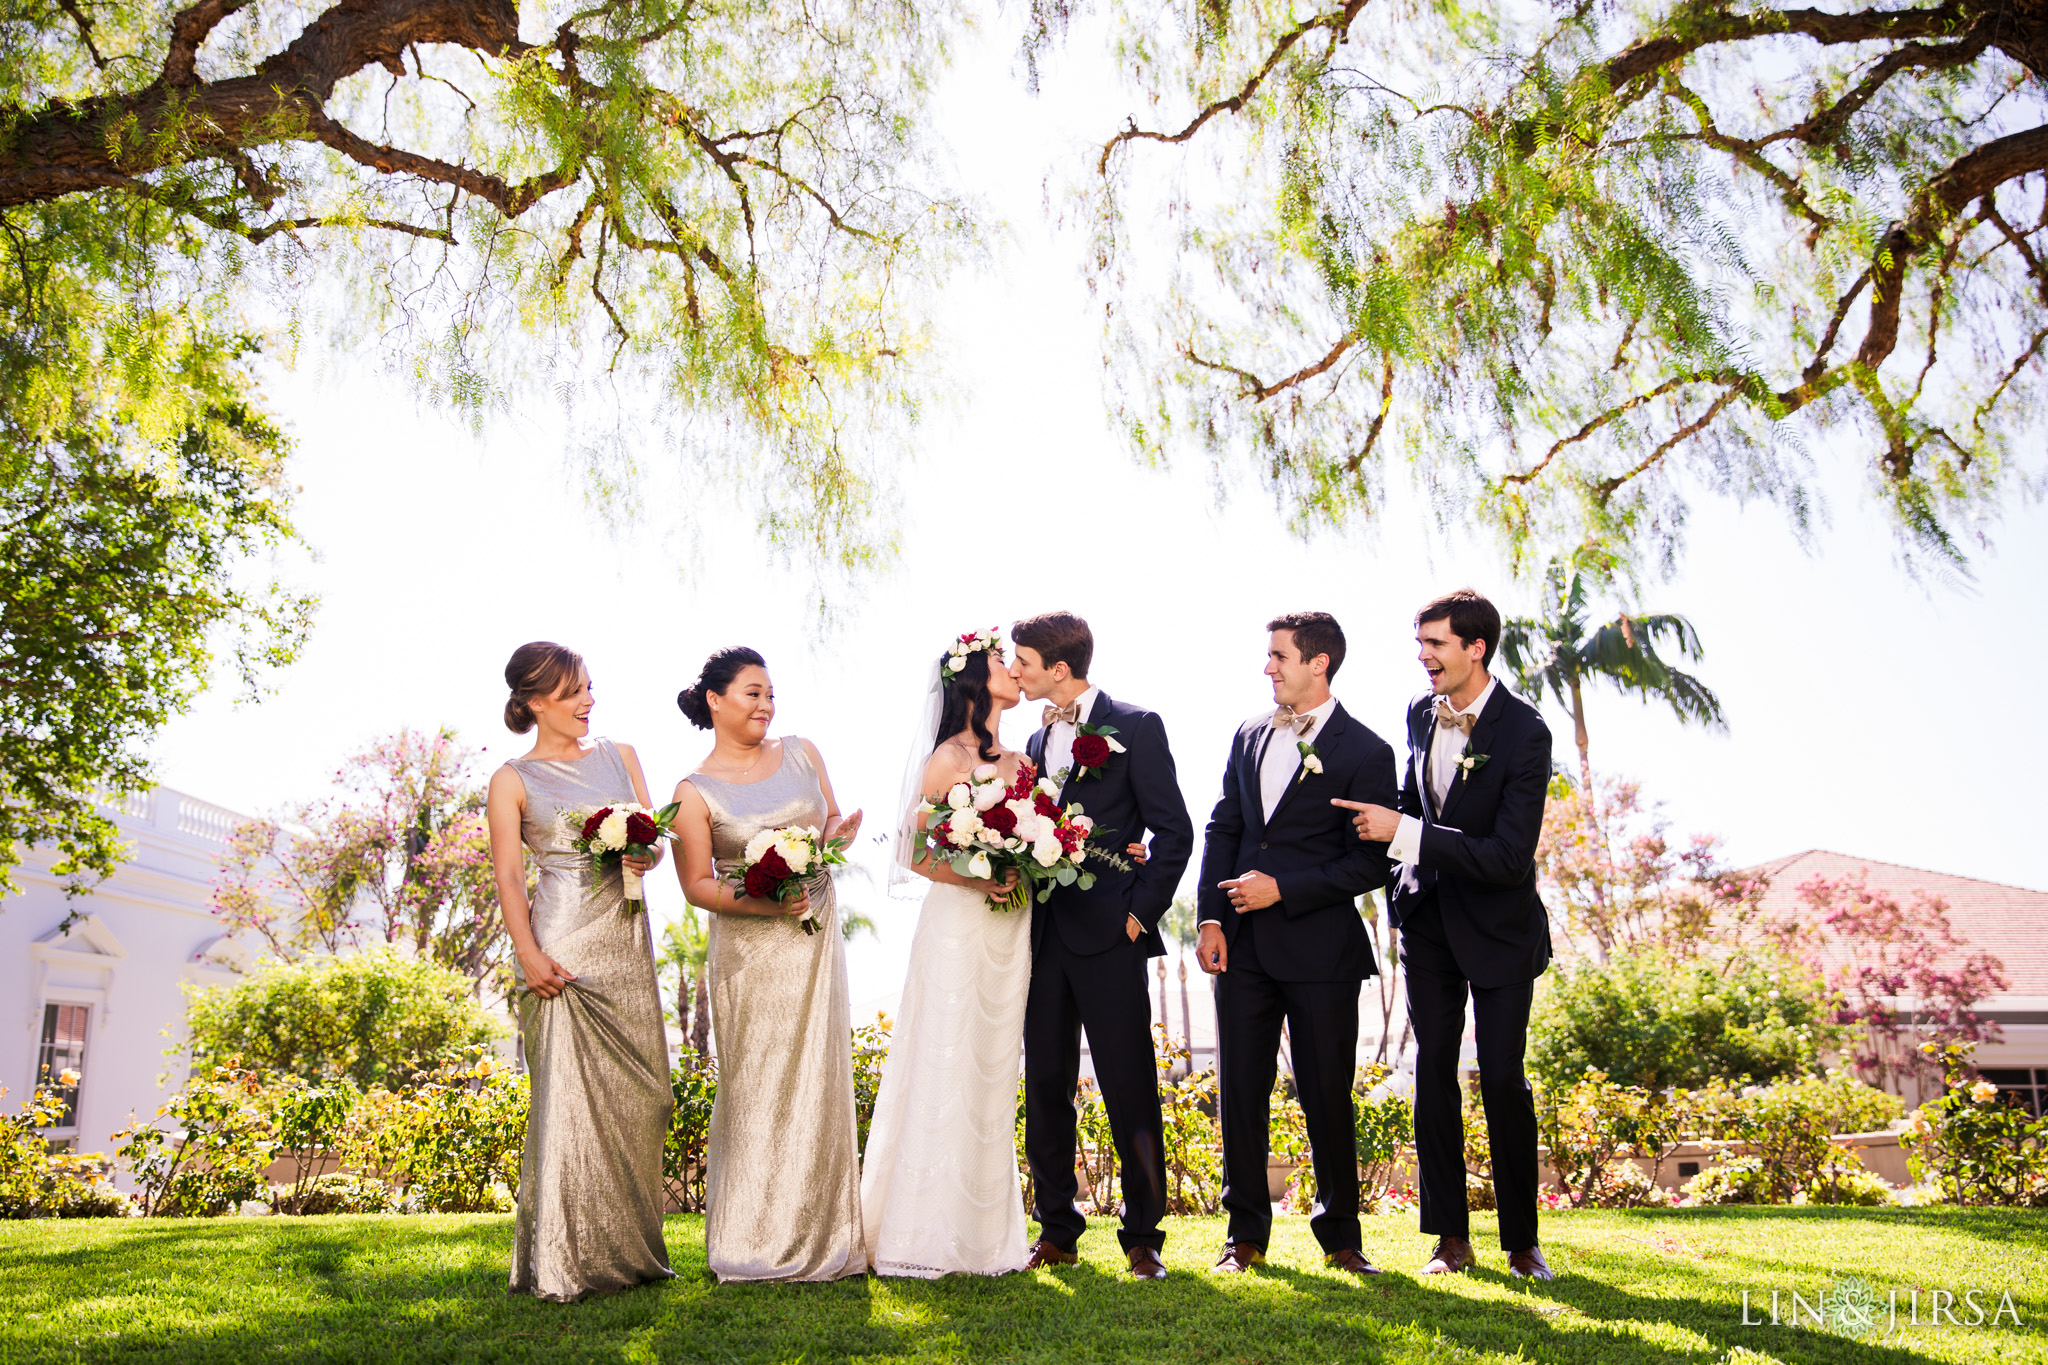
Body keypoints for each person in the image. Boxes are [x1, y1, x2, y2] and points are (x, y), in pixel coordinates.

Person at [1333, 589, 1556, 1281]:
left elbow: (1508, 856)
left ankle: (1523, 1243)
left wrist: (1406, 833)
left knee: (1502, 1079)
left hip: (1500, 928)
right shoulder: (1417, 713)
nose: (1423, 656)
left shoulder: (1525, 731)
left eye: (1436, 643)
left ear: (1476, 647)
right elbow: (1415, 802)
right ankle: (1449, 1240)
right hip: (1427, 920)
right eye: (1421, 643)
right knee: (1433, 1073)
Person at [1195, 612, 1399, 1277]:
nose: (1268, 666)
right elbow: (1224, 828)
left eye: (1278, 655)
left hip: (1323, 956)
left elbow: (1370, 865)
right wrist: (1211, 919)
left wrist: (1285, 888)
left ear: (1319, 663)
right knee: (1240, 1093)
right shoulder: (1249, 733)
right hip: (1244, 950)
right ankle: (1244, 1236)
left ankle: (1342, 1237)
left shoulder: (1367, 752)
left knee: (1326, 1096)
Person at [668, 646, 866, 1283]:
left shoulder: (803, 753)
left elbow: (828, 821)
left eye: (771, 693)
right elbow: (696, 885)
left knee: (820, 1075)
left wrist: (839, 836)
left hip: (813, 936)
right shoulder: (693, 791)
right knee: (757, 1083)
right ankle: (750, 1239)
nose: (765, 705)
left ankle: (826, 1233)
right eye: (752, 693)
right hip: (751, 952)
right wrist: (766, 901)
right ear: (716, 701)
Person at [486, 641, 674, 1303]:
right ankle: (560, 1262)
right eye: (572, 692)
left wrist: (645, 850)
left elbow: (652, 838)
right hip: (559, 940)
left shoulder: (621, 756)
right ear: (534, 701)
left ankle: (632, 1254)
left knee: (645, 1096)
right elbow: (510, 873)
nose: (588, 700)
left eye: (589, 687)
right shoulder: (512, 779)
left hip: (624, 934)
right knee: (564, 1098)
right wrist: (529, 952)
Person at [1012, 611, 1193, 1281]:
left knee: (1130, 1087)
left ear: (1058, 668)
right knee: (1046, 1086)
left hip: (1110, 937)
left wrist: (1138, 914)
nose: (1017, 670)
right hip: (1041, 939)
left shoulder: (1137, 726)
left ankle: (1143, 1236)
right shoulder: (1032, 740)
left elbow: (1174, 830)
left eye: (1023, 660)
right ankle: (1057, 1228)